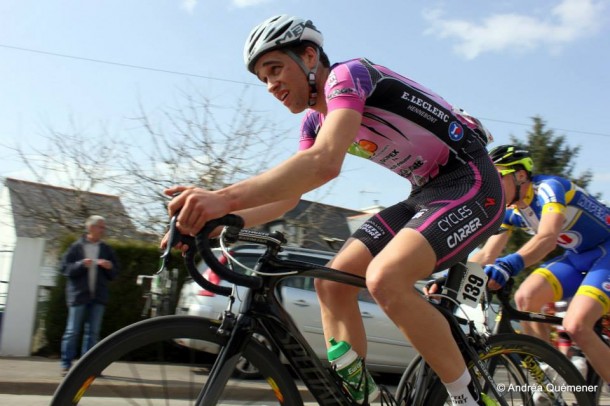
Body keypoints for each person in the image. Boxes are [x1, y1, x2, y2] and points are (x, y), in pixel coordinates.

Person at [164, 15, 504, 405]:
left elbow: (325, 163)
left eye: (275, 69)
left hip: (472, 183)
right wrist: (222, 221)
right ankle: (363, 399)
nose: (271, 85)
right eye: (263, 79)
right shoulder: (314, 120)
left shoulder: (349, 75)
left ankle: (468, 398)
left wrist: (222, 198)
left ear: (310, 56)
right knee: (331, 283)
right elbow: (290, 197)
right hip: (425, 193)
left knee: (385, 278)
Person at [471, 144, 610, 383]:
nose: (492, 187)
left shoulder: (549, 189)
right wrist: (450, 278)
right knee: (525, 298)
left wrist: (509, 264)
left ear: (520, 175)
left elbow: (547, 238)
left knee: (576, 324)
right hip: (579, 257)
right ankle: (553, 372)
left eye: (498, 176)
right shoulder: (513, 210)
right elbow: (486, 255)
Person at [59, 215, 119, 376]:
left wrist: (109, 266)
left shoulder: (106, 249)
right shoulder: (76, 247)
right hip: (78, 297)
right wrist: (80, 264)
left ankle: (89, 367)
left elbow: (115, 273)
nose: (103, 229)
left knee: (93, 333)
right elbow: (65, 268)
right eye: (101, 226)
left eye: (103, 227)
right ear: (91, 228)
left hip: (98, 297)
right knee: (72, 331)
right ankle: (66, 366)